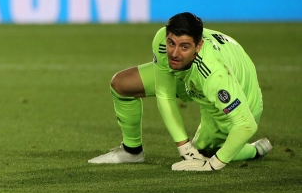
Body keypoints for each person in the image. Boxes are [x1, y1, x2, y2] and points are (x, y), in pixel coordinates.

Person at [88, 12, 272, 171]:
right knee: (122, 84)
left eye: (184, 46)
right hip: (189, 77)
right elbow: (165, 93)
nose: (174, 53)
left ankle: (254, 150)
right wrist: (185, 149)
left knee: (210, 151)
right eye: (171, 43)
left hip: (241, 97)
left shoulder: (214, 74)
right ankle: (131, 152)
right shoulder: (161, 41)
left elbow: (246, 124)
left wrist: (212, 164)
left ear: (198, 46)